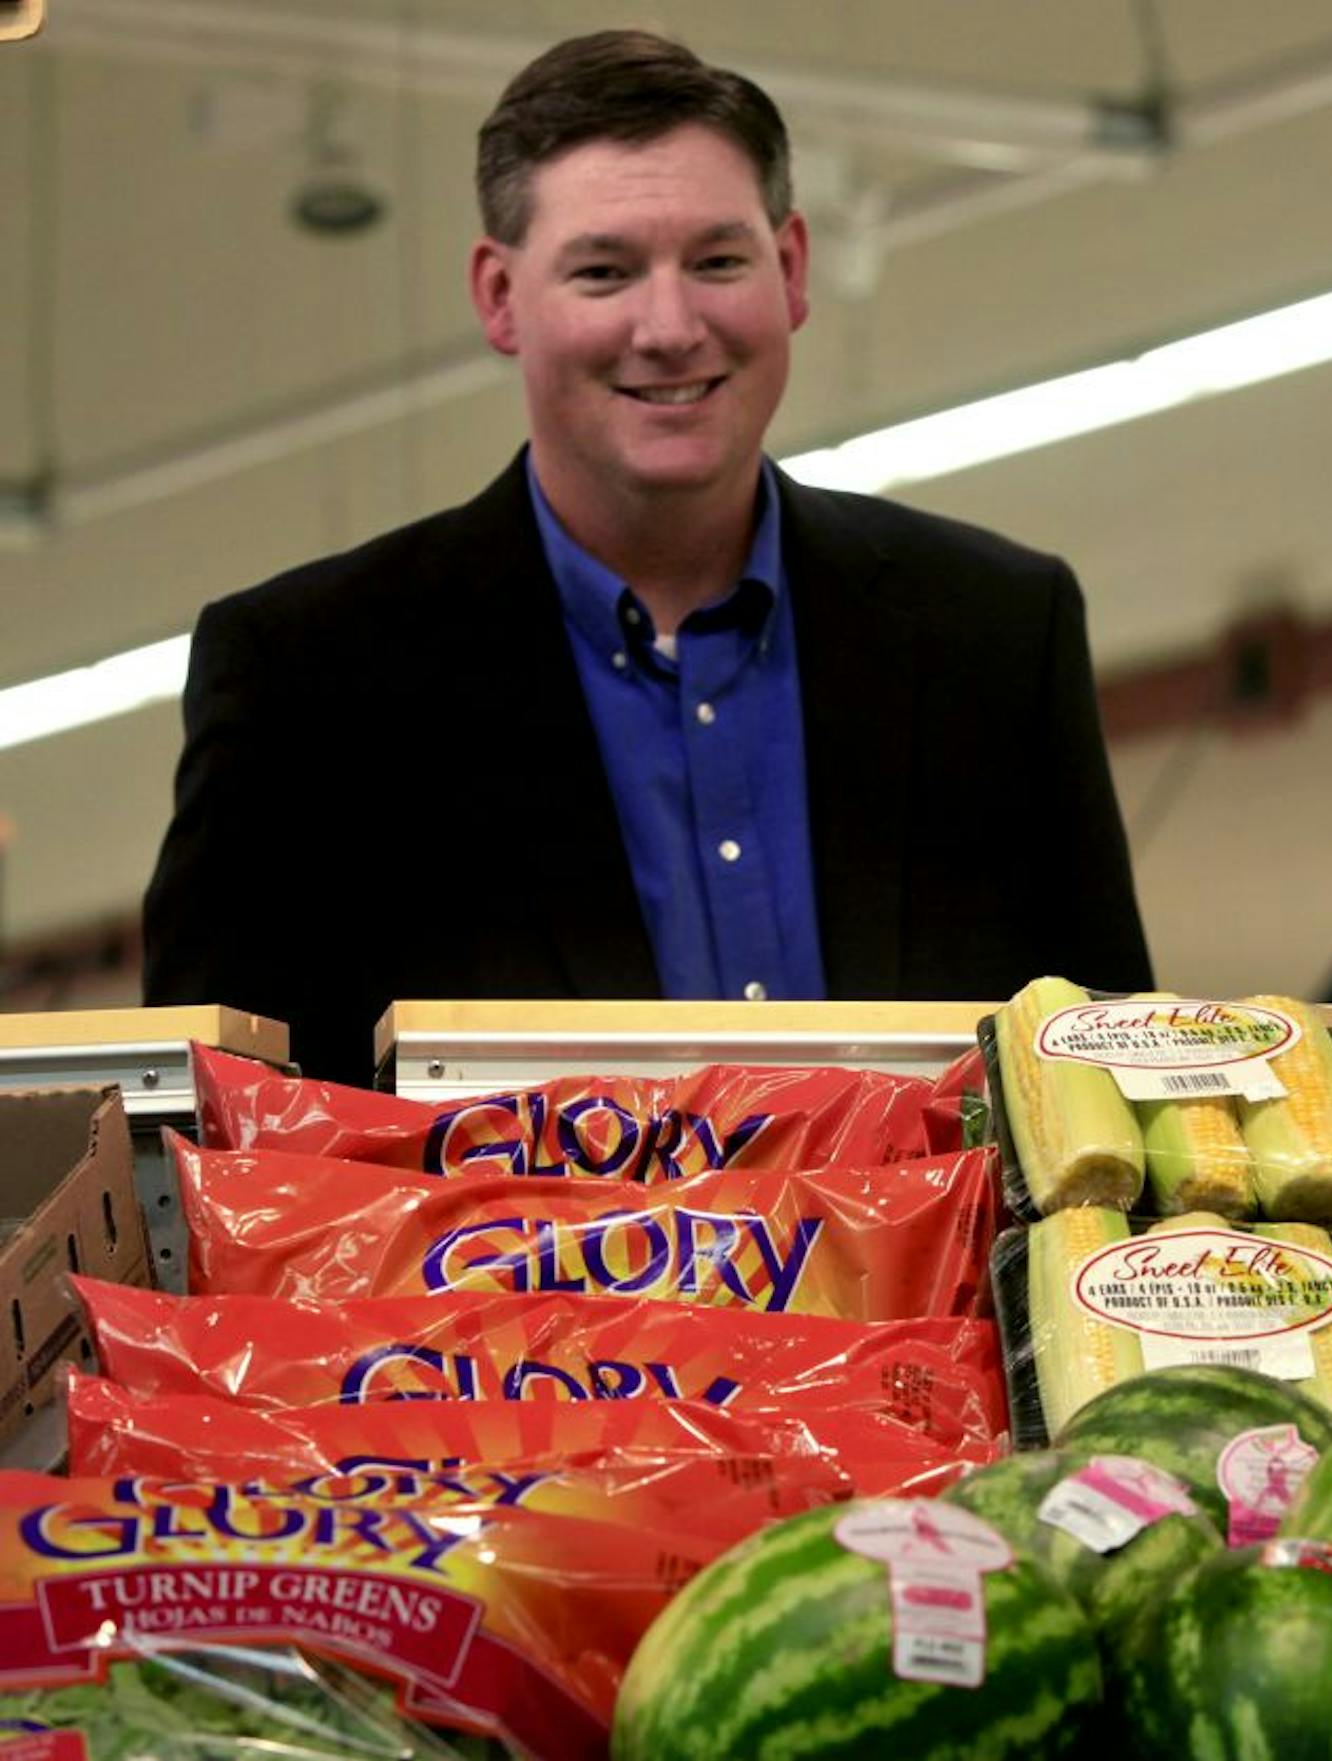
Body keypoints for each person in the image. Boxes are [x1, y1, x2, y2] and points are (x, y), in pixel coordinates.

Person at [142, 30, 1152, 1087]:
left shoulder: (995, 633)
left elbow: (1113, 1080)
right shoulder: (309, 682)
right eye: (604, 271)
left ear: (793, 269)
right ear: (498, 298)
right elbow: (215, 1152)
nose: (669, 327)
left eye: (718, 261)